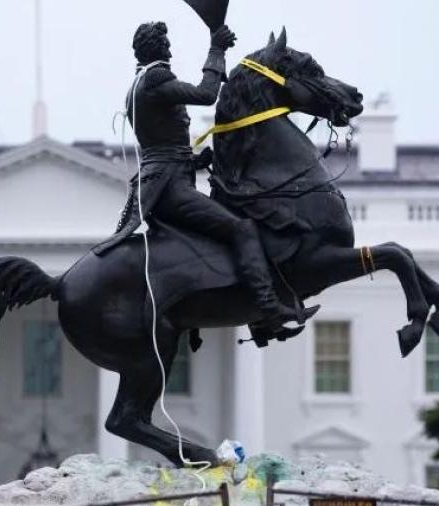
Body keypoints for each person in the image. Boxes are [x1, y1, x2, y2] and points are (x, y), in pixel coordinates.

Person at [93, 21, 304, 334]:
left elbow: (161, 146)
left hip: (165, 181)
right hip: (169, 190)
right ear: (156, 49)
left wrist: (195, 160)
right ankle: (268, 312)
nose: (170, 48)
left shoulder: (139, 85)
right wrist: (216, 49)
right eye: (165, 44)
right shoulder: (155, 80)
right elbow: (206, 94)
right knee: (242, 228)